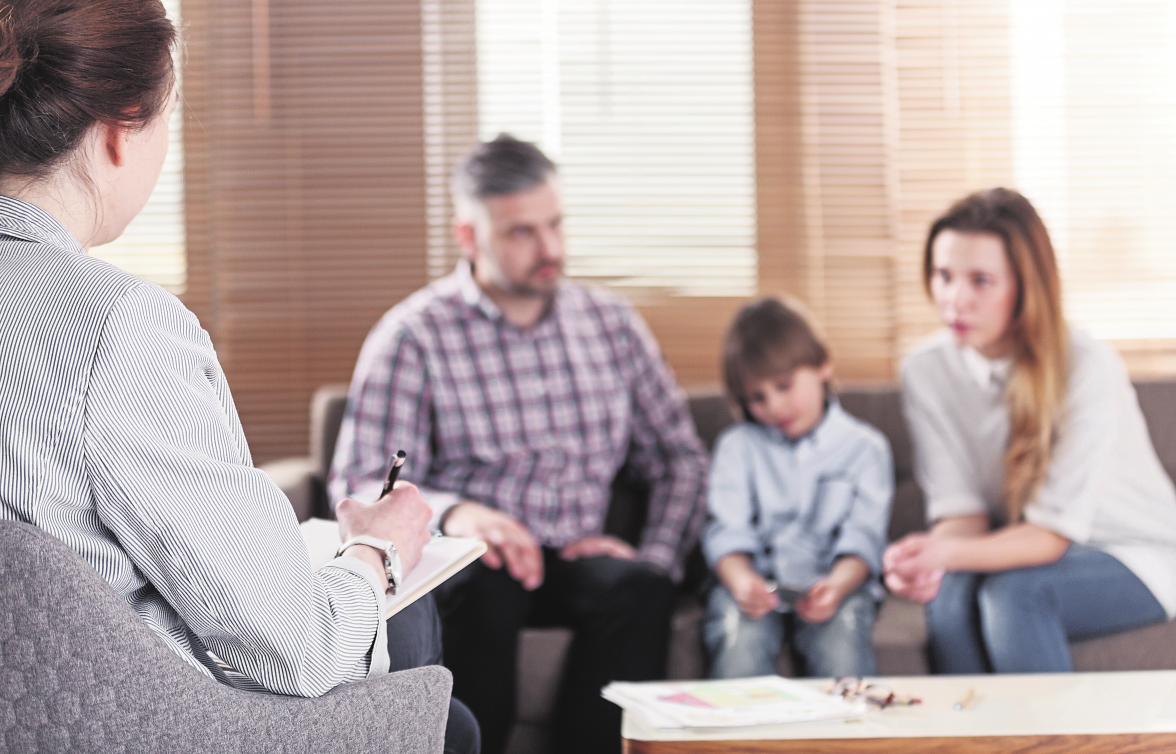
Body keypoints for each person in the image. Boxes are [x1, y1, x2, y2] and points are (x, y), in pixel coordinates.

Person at [0, 3, 477, 751]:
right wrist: (378, 549)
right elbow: (301, 651)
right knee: (423, 665)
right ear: (123, 128)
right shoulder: (114, 327)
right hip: (140, 731)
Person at [329, 133, 709, 754]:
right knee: (486, 584)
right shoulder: (413, 337)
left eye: (554, 225)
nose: (550, 248)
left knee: (641, 588)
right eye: (521, 233)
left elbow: (678, 460)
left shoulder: (612, 327)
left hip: (579, 553)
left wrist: (652, 553)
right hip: (474, 560)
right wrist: (461, 513)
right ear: (469, 236)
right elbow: (367, 480)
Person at [884, 187, 1176, 674]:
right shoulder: (926, 370)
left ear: (1025, 286)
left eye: (981, 281)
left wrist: (945, 551)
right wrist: (926, 559)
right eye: (943, 275)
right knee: (950, 596)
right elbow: (963, 513)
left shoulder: (1087, 366)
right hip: (1020, 546)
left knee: (1017, 594)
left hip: (1136, 553)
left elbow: (1049, 538)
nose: (955, 299)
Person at [701, 297, 893, 679]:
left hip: (836, 586)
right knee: (740, 641)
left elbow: (864, 540)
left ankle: (845, 740)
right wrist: (742, 581)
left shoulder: (865, 449)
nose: (773, 406)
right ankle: (738, 739)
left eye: (784, 386)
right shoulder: (736, 447)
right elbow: (727, 532)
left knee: (842, 648)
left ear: (823, 364)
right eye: (757, 397)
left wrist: (837, 586)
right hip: (755, 590)